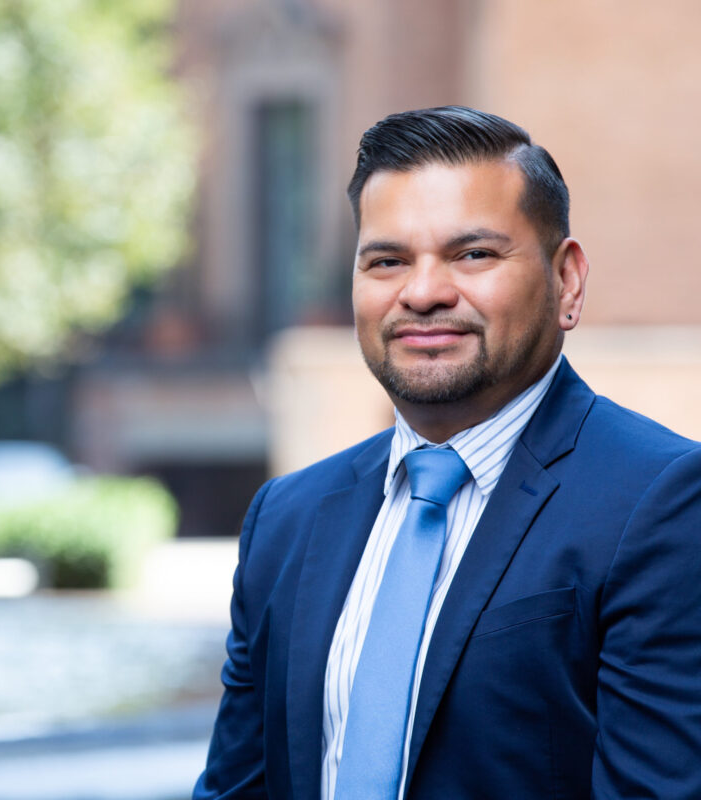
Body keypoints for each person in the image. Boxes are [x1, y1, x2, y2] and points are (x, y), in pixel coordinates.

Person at [193, 106, 701, 799]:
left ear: (568, 281)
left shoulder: (663, 503)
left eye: (473, 255)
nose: (423, 292)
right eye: (387, 260)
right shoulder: (288, 517)